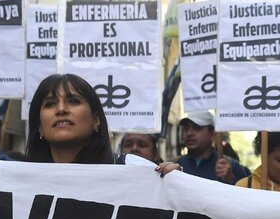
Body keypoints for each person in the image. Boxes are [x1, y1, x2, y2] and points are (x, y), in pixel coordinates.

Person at [25, 74, 179, 173]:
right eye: (50, 104)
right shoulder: (18, 180)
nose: (61, 109)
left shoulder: (135, 170)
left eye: (73, 101)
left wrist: (173, 182)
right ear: (39, 127)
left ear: (96, 120)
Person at [177, 111, 248, 184]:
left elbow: (246, 193)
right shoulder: (176, 165)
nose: (189, 133)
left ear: (212, 134)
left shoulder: (231, 166)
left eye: (197, 128)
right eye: (186, 129)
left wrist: (230, 180)